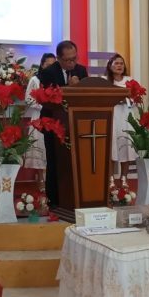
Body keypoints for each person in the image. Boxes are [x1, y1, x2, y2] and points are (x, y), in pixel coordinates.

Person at [37, 40, 88, 207]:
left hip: (75, 124)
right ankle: (54, 200)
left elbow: (87, 95)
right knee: (54, 161)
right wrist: (69, 87)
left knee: (75, 161)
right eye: (68, 60)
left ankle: (76, 196)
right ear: (59, 58)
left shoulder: (81, 70)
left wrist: (80, 88)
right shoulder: (48, 72)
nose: (72, 63)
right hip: (53, 124)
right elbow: (50, 97)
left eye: (74, 58)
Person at [24, 53, 56, 191]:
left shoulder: (57, 79)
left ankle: (51, 178)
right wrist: (44, 106)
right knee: (40, 146)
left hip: (54, 117)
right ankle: (41, 178)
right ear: (42, 65)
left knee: (52, 148)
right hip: (39, 116)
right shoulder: (35, 80)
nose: (51, 68)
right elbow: (28, 99)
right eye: (48, 65)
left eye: (53, 65)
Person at [102, 54, 137, 178]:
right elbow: (101, 98)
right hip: (112, 115)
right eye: (116, 63)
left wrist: (126, 100)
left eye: (121, 63)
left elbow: (136, 99)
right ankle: (111, 179)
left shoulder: (129, 80)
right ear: (110, 66)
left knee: (125, 146)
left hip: (126, 116)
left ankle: (124, 178)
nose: (119, 66)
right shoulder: (104, 81)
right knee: (111, 146)